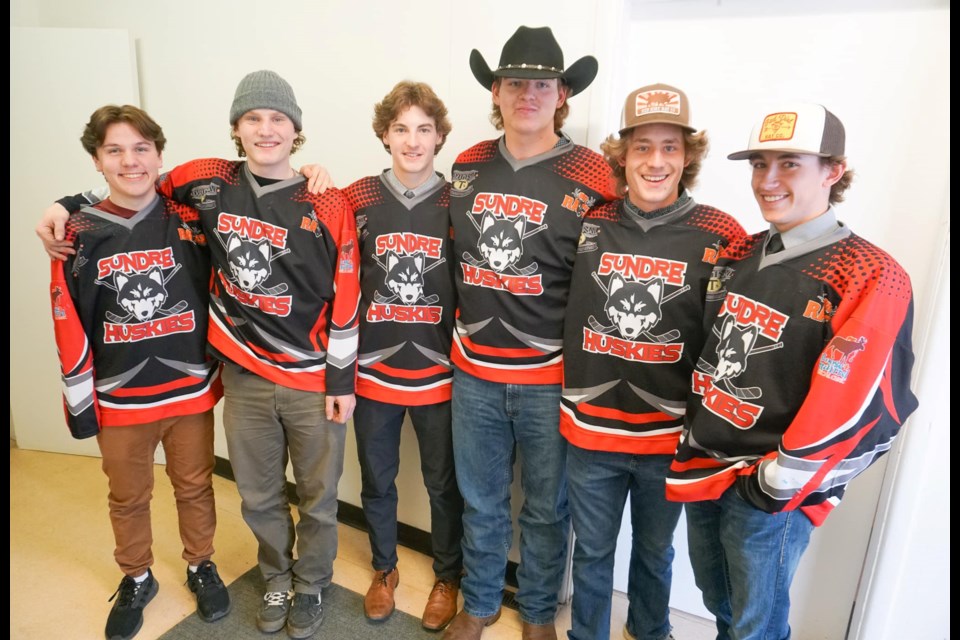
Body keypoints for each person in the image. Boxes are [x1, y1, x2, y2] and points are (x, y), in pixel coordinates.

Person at [40, 70, 361, 639]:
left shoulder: (325, 198)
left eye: (278, 119)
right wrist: (66, 204)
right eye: (253, 118)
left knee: (317, 496)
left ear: (296, 129)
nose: (266, 129)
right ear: (237, 128)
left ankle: (311, 583)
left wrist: (341, 381)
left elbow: (348, 290)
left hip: (312, 380)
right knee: (259, 495)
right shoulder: (204, 182)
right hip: (241, 375)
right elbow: (135, 184)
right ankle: (276, 576)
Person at [665, 103, 919, 640]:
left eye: (790, 164)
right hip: (706, 465)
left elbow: (870, 400)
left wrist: (779, 480)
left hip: (770, 487)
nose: (769, 180)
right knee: (721, 601)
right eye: (760, 164)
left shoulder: (870, 274)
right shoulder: (738, 254)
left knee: (757, 624)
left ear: (834, 170)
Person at [444, 26, 616, 640]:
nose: (527, 94)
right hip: (475, 370)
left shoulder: (597, 175)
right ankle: (481, 601)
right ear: (496, 89)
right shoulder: (466, 165)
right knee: (481, 500)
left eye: (541, 83)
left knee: (548, 509)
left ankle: (539, 611)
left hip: (551, 378)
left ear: (562, 94)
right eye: (514, 82)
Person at [561, 85, 745, 640]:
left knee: (654, 551)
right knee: (591, 552)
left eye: (670, 146)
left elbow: (730, 338)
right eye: (642, 147)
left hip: (668, 435)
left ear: (688, 156)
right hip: (590, 430)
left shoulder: (722, 234)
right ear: (622, 156)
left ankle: (651, 630)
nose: (656, 161)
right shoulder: (590, 221)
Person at [48, 104, 229, 640]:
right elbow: (67, 321)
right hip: (120, 397)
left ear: (158, 154)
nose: (130, 161)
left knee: (195, 485)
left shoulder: (190, 218)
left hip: (187, 389)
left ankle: (200, 564)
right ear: (97, 161)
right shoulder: (76, 233)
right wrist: (80, 402)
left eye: (141, 148)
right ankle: (137, 575)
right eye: (115, 150)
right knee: (128, 496)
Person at [343, 80, 464, 631]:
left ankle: (447, 576)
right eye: (400, 129)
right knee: (377, 478)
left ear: (439, 136)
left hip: (440, 371)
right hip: (374, 371)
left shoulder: (461, 198)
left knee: (444, 482)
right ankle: (384, 568)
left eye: (423, 129)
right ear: (384, 135)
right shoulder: (357, 197)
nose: (412, 141)